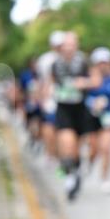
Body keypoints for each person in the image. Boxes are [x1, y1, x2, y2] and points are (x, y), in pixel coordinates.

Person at [52, 32, 95, 200]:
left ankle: (76, 172)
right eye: (66, 44)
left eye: (72, 44)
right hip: (63, 108)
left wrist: (84, 83)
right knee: (66, 144)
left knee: (76, 149)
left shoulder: (84, 61)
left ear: (76, 45)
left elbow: (96, 80)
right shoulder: (56, 63)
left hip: (80, 109)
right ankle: (69, 177)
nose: (68, 48)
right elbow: (49, 83)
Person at [84, 47, 110, 194]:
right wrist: (93, 103)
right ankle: (90, 163)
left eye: (105, 62)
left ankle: (105, 178)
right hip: (92, 118)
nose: (103, 65)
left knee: (106, 148)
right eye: (100, 63)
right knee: (94, 149)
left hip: (108, 117)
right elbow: (82, 97)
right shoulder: (88, 79)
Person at [36, 31, 65, 165]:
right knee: (49, 127)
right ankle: (50, 153)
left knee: (62, 129)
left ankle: (60, 155)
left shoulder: (71, 57)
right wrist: (41, 96)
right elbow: (42, 81)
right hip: (51, 99)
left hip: (66, 98)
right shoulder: (45, 60)